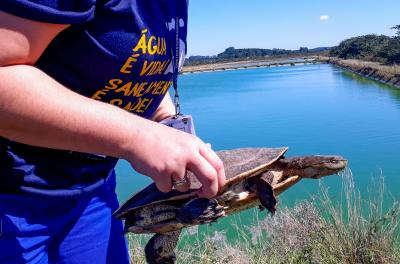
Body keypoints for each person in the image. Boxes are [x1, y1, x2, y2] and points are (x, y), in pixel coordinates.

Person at [0, 0, 226, 263]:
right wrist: (137, 136)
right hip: (12, 198)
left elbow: (129, 69)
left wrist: (164, 120)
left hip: (91, 189)